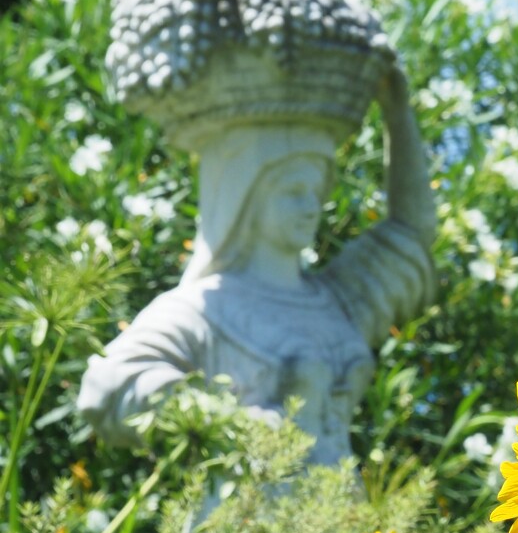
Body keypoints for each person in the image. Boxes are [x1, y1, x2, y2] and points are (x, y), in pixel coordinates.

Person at [78, 69, 435, 465]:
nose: (310, 207)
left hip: (343, 515)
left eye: (316, 192)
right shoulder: (204, 307)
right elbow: (108, 384)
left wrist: (398, 113)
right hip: (245, 516)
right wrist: (230, 423)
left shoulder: (339, 300)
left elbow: (410, 231)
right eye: (293, 192)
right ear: (246, 196)